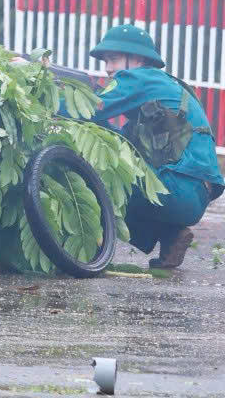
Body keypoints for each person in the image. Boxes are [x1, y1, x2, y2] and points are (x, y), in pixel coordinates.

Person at [71, 24, 222, 268]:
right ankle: (169, 235)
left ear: (138, 59)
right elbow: (114, 136)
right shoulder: (162, 86)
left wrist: (41, 97)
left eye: (114, 59)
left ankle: (82, 251)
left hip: (176, 189)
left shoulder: (142, 78)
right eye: (105, 61)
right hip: (193, 196)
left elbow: (86, 109)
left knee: (91, 176)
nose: (108, 69)